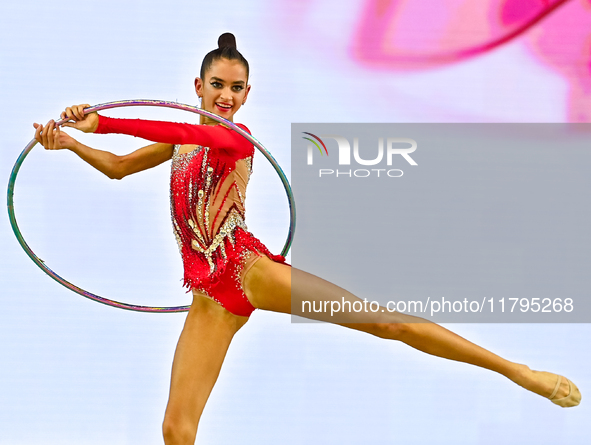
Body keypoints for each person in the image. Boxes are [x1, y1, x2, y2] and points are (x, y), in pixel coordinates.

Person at [33, 33, 581, 445]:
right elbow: (120, 168)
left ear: (247, 94)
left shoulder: (234, 137)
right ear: (196, 87)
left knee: (384, 321)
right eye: (216, 85)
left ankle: (519, 372)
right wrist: (70, 143)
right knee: (176, 430)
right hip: (207, 296)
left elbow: (177, 130)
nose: (226, 95)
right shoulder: (183, 143)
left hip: (245, 268)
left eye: (236, 87)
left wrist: (102, 121)